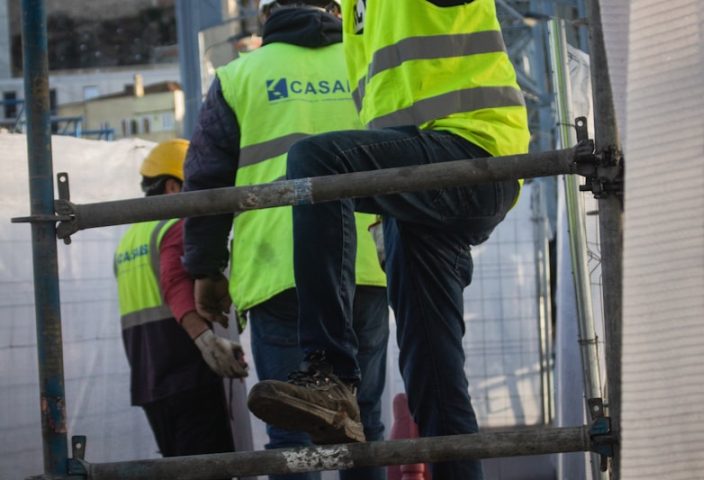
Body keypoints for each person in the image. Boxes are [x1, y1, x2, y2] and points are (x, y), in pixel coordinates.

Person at [247, 1, 530, 479]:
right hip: (422, 184)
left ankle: (332, 374)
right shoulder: (358, 12)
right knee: (435, 385)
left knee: (317, 162)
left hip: (471, 151)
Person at [181, 1, 389, 479]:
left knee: (290, 434)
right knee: (366, 425)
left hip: (279, 269)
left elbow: (207, 183)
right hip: (363, 266)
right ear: (336, 10)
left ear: (266, 15)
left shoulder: (239, 76)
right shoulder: (365, 63)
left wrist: (206, 270)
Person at [114, 139, 248, 458]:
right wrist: (206, 340)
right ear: (173, 187)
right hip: (191, 373)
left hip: (150, 380)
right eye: (197, 185)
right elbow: (174, 282)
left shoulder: (130, 239)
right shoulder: (176, 225)